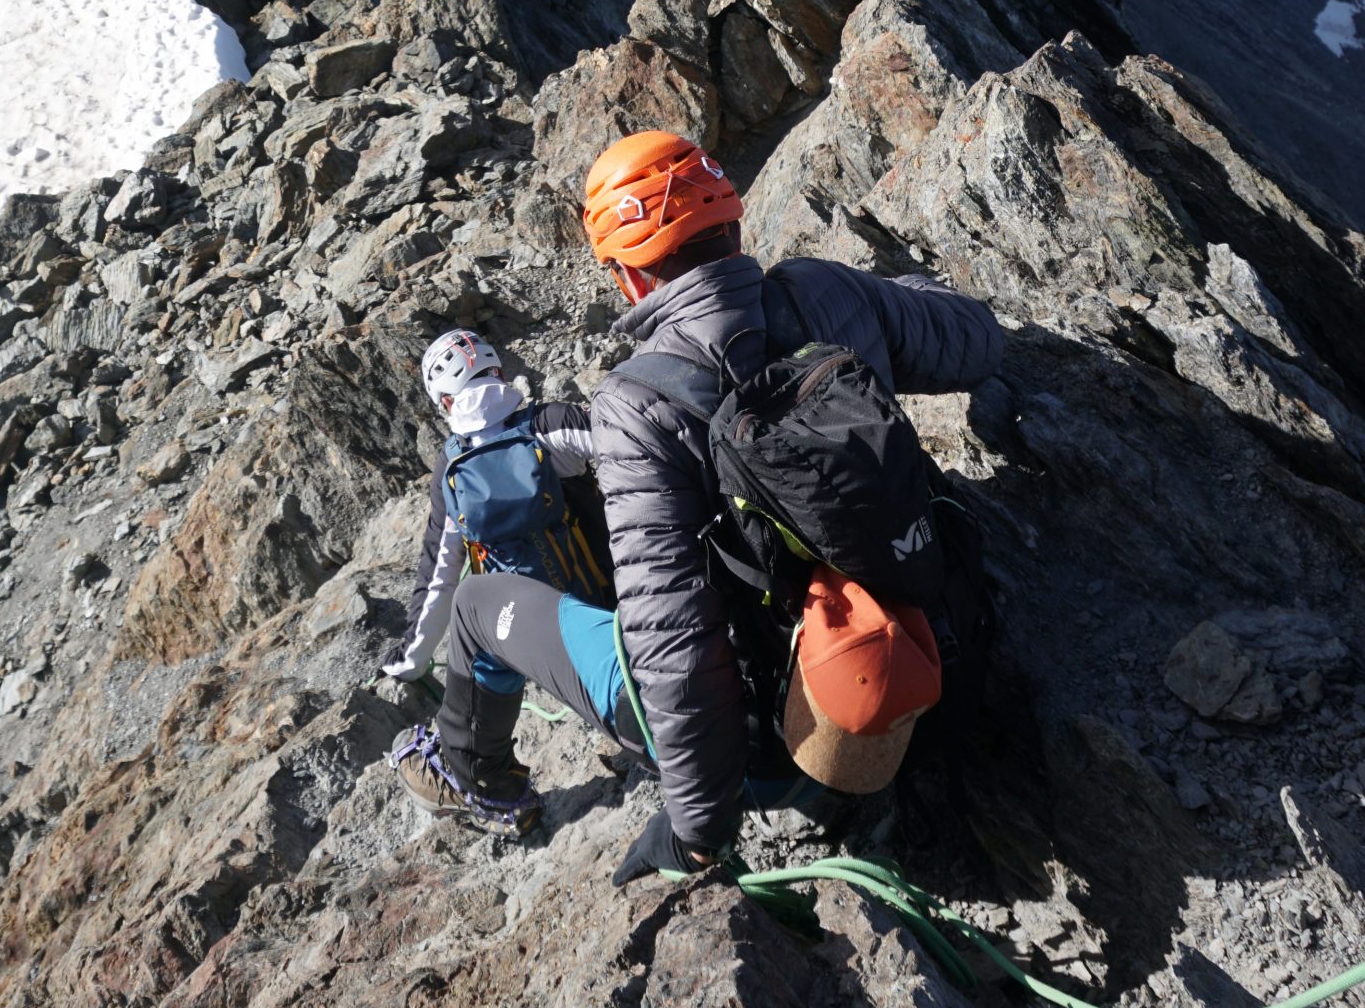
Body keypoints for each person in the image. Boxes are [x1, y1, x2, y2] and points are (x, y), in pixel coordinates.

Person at [580, 129, 1004, 884]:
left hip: (795, 747)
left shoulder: (637, 403)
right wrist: (899, 294)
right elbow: (975, 343)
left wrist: (696, 832)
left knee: (487, 606)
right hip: (937, 644)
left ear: (630, 279)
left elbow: (672, 641)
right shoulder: (823, 291)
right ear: (735, 225)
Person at [385, 329, 621, 832]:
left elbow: (438, 578)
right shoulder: (549, 425)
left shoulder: (452, 471)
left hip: (536, 644)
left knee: (474, 609)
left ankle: (484, 780)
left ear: (444, 401)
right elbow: (638, 444)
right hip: (617, 614)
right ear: (497, 371)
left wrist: (406, 663)